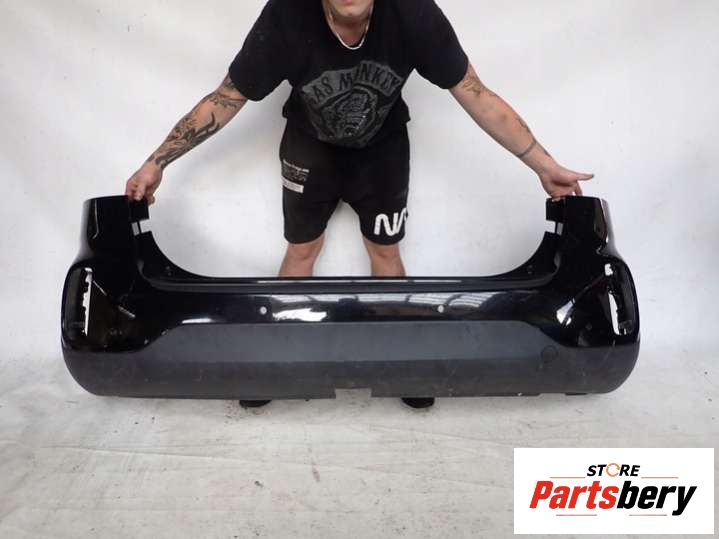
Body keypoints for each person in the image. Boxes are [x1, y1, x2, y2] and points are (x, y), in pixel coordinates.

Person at [125, 0, 593, 409]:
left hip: (381, 150)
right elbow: (226, 98)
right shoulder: (287, 14)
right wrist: (156, 162)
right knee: (301, 249)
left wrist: (543, 165)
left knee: (385, 251)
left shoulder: (412, 13)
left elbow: (477, 95)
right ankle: (274, 360)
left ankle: (405, 364)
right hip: (310, 147)